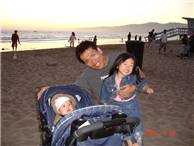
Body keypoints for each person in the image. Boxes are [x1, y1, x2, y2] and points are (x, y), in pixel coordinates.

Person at [101, 52, 154, 146]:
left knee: (136, 125)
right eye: (125, 64)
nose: (128, 67)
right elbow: (104, 97)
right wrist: (106, 108)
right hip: (115, 107)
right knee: (122, 128)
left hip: (131, 105)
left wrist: (146, 89)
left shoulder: (133, 77)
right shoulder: (108, 81)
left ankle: (138, 143)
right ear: (117, 65)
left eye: (131, 65)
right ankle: (129, 142)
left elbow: (141, 83)